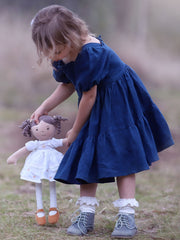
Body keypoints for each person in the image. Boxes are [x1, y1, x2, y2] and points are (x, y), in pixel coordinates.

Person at [30, 5, 174, 238]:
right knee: (88, 155)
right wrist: (44, 106)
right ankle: (86, 213)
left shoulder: (90, 54)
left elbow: (89, 95)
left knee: (123, 154)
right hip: (95, 102)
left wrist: (75, 130)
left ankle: (127, 215)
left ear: (71, 37)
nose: (54, 57)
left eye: (56, 51)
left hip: (119, 101)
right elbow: (67, 84)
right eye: (49, 53)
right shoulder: (65, 52)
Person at [7, 115, 67, 226]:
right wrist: (13, 157)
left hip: (51, 164)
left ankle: (53, 208)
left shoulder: (52, 142)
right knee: (38, 184)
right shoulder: (34, 144)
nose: (43, 132)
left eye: (47, 129)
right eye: (38, 129)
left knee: (52, 183)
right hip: (37, 165)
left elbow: (65, 141)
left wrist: (75, 137)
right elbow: (24, 149)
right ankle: (40, 210)